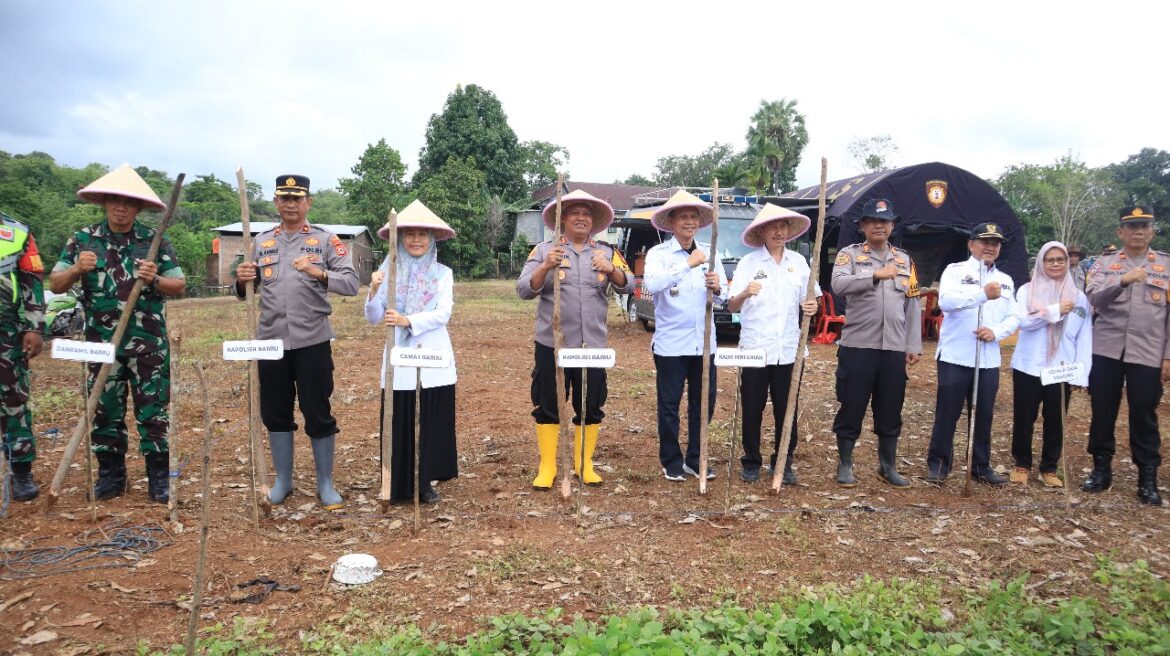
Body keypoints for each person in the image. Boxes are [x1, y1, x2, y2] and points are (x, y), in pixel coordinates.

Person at [49, 165, 186, 503]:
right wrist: (78, 269)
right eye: (114, 201)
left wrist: (154, 278)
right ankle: (111, 476)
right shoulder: (83, 240)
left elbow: (179, 285)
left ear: (138, 208)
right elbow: (54, 283)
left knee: (153, 412)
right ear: (105, 203)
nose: (121, 208)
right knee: (104, 410)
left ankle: (159, 478)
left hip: (148, 344)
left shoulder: (153, 241)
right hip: (100, 344)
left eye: (128, 203)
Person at [235, 175, 358, 510]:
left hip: (312, 340)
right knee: (275, 412)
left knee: (317, 411)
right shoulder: (261, 242)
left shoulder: (325, 241)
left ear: (308, 202)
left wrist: (319, 273)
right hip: (271, 341)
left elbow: (351, 284)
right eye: (283, 198)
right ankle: (283, 482)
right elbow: (246, 291)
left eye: (296, 198)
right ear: (276, 202)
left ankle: (325, 483)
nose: (290, 204)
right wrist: (242, 280)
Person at [516, 189, 632, 489]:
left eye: (587, 214)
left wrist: (613, 271)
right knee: (548, 403)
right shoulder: (544, 250)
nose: (581, 218)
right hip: (552, 345)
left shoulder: (606, 252)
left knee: (591, 403)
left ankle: (584, 463)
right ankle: (547, 466)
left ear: (593, 222)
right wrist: (545, 267)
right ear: (562, 219)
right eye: (574, 213)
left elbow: (629, 285)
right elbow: (524, 290)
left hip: (592, 344)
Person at [364, 200, 458, 504]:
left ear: (431, 239)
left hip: (432, 356)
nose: (416, 240)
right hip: (398, 359)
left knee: (426, 418)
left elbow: (444, 313)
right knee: (399, 416)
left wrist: (408, 320)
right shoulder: (387, 271)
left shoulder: (442, 274)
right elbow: (374, 316)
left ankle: (424, 483)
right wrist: (373, 290)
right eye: (409, 234)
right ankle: (395, 483)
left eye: (422, 234)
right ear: (400, 239)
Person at [830, 198, 922, 488]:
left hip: (893, 348)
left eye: (884, 221)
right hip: (858, 345)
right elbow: (838, 285)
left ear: (892, 226)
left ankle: (887, 466)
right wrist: (874, 275)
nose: (879, 225)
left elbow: (913, 302)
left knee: (891, 407)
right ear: (863, 227)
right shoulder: (850, 255)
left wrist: (913, 344)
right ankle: (845, 464)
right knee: (852, 405)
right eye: (872, 221)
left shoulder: (905, 260)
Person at [1081, 206, 1169, 506]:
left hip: (1149, 352)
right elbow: (1092, 298)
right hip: (1106, 349)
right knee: (1103, 411)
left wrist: (1167, 357)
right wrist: (1123, 280)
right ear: (1120, 232)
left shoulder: (1166, 266)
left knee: (1144, 413)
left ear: (1153, 230)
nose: (1138, 232)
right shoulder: (1104, 264)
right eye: (1131, 227)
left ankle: (1147, 478)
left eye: (1144, 226)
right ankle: (1101, 470)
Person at [726, 203, 819, 484]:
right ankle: (751, 461)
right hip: (755, 347)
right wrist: (744, 293)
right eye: (773, 227)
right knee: (752, 407)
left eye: (783, 227)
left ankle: (784, 460)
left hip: (789, 348)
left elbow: (811, 298)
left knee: (786, 406)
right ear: (762, 231)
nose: (778, 232)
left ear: (788, 231)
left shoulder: (799, 263)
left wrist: (812, 306)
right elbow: (731, 306)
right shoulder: (749, 264)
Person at [924, 223, 1018, 486]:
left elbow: (1014, 316)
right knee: (948, 412)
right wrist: (981, 295)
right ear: (971, 244)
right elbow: (947, 303)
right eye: (985, 241)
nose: (990, 247)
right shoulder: (956, 271)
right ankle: (939, 464)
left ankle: (980, 465)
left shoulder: (1006, 281)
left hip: (987, 359)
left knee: (984, 413)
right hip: (956, 355)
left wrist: (997, 331)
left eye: (996, 243)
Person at [644, 190, 728, 482]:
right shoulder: (659, 254)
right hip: (671, 344)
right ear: (672, 221)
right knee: (669, 403)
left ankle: (696, 457)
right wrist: (687, 265)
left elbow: (723, 298)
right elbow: (652, 285)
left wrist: (717, 288)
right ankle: (671, 460)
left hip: (705, 343)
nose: (689, 222)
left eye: (694, 217)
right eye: (684, 217)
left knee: (703, 402)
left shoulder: (709, 252)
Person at [1009, 242, 1092, 486]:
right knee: (1024, 418)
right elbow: (1024, 322)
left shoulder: (1079, 297)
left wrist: (1081, 374)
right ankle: (1022, 464)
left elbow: (1085, 336)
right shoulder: (1027, 291)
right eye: (1050, 260)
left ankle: (1049, 468)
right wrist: (1055, 310)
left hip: (1061, 367)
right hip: (1029, 365)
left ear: (1068, 262)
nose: (1055, 264)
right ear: (1041, 263)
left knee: (1056, 419)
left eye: (1060, 259)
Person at [0, 212, 45, 500]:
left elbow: (32, 280)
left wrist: (35, 326)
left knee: (13, 400)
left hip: (5, 329)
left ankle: (21, 471)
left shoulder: (15, 231)